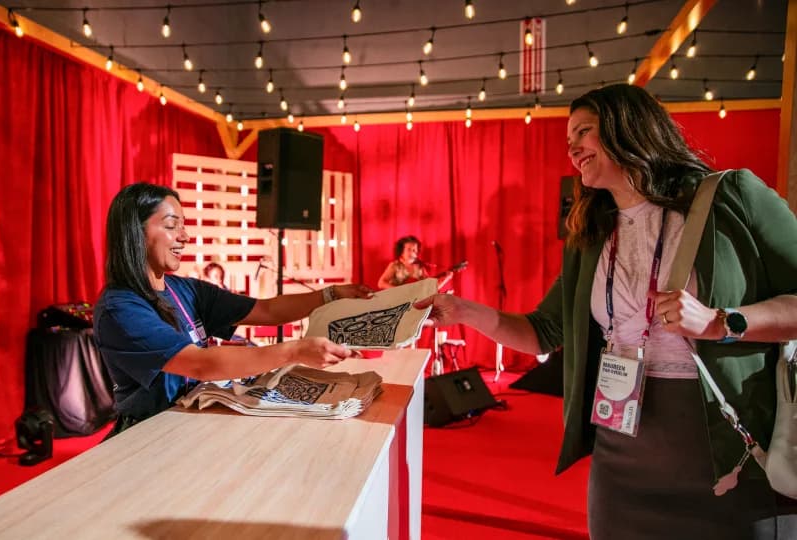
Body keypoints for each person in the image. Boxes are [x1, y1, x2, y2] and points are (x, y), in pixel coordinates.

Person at [415, 84, 797, 539]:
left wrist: (721, 322)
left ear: (629, 128)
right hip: (621, 457)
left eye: (584, 131)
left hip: (723, 449)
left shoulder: (732, 196)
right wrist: (461, 310)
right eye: (568, 140)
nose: (573, 148)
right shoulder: (592, 233)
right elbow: (542, 332)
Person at [93, 182, 373, 435]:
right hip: (147, 437)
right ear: (135, 232)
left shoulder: (186, 290)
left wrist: (330, 294)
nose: (184, 236)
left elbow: (266, 311)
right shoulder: (120, 309)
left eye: (184, 225)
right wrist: (294, 350)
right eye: (171, 226)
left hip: (191, 426)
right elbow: (200, 364)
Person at [377, 235, 453, 290]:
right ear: (401, 251)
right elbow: (381, 283)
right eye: (409, 249)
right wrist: (399, 291)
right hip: (397, 302)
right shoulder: (395, 265)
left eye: (414, 250)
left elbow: (429, 289)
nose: (412, 252)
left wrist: (446, 279)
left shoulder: (420, 267)